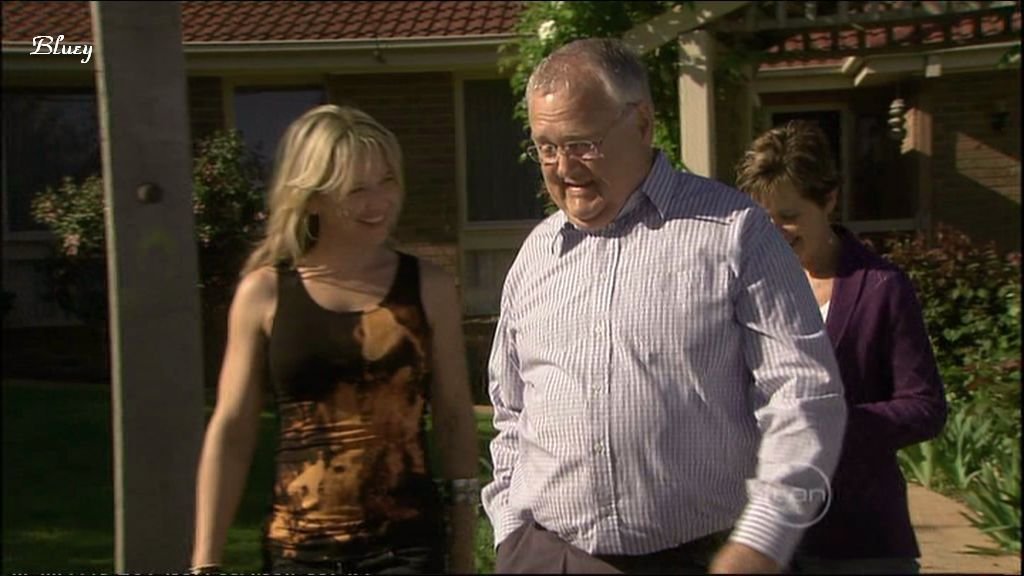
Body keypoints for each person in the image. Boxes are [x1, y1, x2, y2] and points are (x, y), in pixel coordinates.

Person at [481, 38, 848, 575]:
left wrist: (763, 540)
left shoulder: (734, 232)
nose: (563, 168)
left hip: (700, 558)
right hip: (549, 556)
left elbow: (804, 393)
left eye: (582, 144)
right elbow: (511, 411)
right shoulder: (536, 255)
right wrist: (511, 534)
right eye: (546, 147)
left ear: (642, 123)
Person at [189, 104, 479, 575]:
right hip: (298, 551)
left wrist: (463, 546)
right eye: (357, 189)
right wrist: (205, 561)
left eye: (388, 181)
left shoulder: (429, 287)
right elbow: (233, 429)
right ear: (312, 198)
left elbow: (453, 417)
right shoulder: (264, 293)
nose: (379, 201)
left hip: (405, 550)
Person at [735, 120, 947, 575]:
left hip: (861, 540)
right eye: (762, 218)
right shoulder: (745, 289)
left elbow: (925, 407)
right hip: (768, 538)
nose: (774, 232)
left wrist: (829, 423)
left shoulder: (882, 287)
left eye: (789, 216)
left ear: (829, 200)